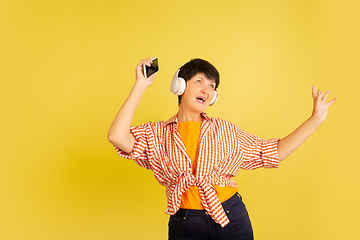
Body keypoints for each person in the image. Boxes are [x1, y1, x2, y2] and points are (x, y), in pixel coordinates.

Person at [107, 57, 337, 240]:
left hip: (231, 217)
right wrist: (141, 84)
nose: (206, 90)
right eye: (199, 81)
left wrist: (315, 119)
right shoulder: (157, 134)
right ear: (179, 86)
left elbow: (274, 152)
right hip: (185, 223)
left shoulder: (225, 131)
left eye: (211, 86)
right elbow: (117, 136)